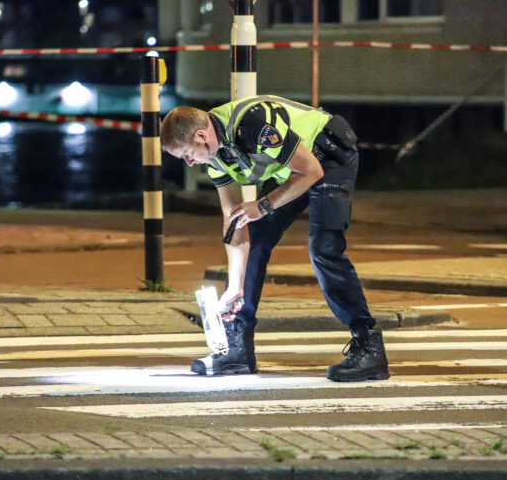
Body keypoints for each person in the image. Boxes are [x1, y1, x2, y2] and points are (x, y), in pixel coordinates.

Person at [160, 95, 389, 382]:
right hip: (294, 170)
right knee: (255, 237)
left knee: (324, 248)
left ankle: (368, 346)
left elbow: (312, 171)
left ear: (200, 135)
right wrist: (235, 286)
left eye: (187, 155)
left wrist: (264, 205)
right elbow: (234, 225)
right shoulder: (217, 159)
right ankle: (238, 350)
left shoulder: (254, 124)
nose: (190, 163)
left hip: (327, 157)